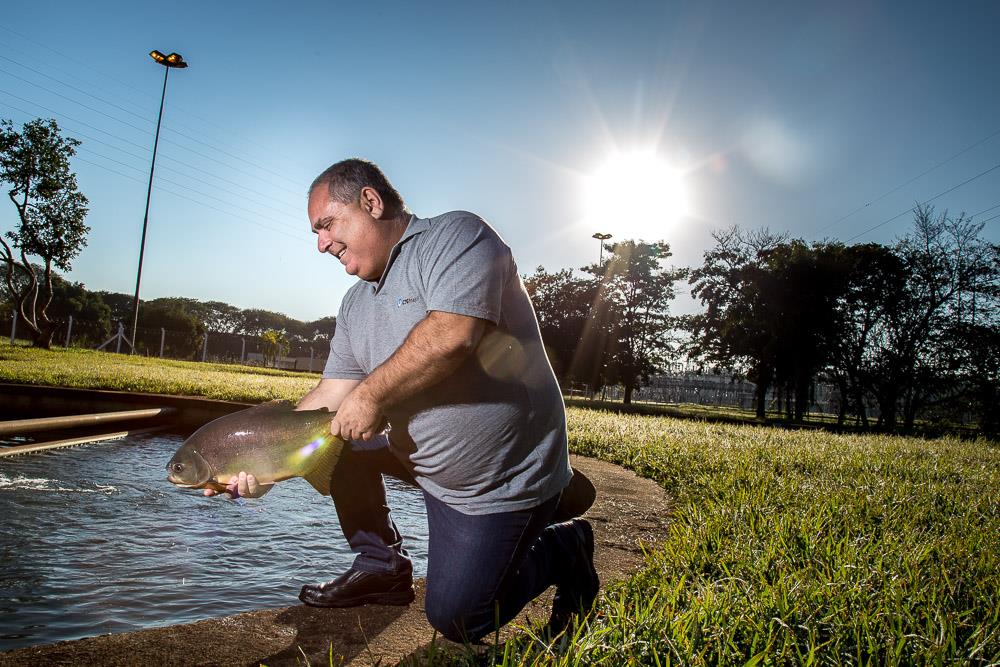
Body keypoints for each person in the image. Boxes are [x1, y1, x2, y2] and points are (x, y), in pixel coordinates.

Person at [208, 158, 598, 642]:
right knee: (337, 438)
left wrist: (370, 395)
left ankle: (566, 546)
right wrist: (263, 464)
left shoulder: (457, 237)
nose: (321, 243)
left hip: (498, 477)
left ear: (370, 202)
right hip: (421, 459)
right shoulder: (355, 305)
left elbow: (455, 333)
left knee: (459, 618)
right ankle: (382, 566)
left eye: (327, 224)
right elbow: (330, 397)